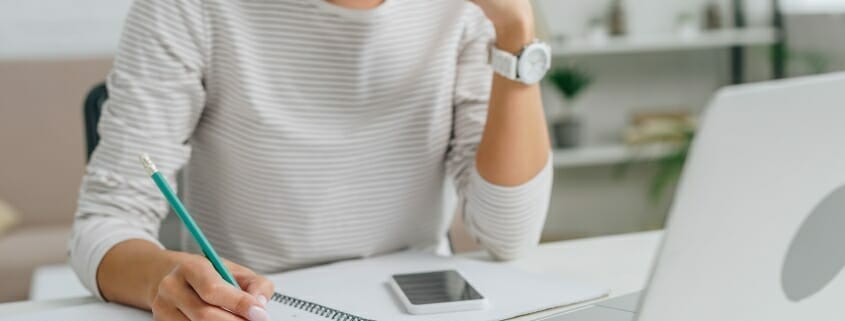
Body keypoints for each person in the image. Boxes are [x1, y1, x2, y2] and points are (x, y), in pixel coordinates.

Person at [70, 0, 553, 320]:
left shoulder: (464, 12)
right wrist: (166, 279)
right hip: (253, 309)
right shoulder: (188, 7)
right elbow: (106, 222)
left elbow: (508, 234)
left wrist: (515, 31)